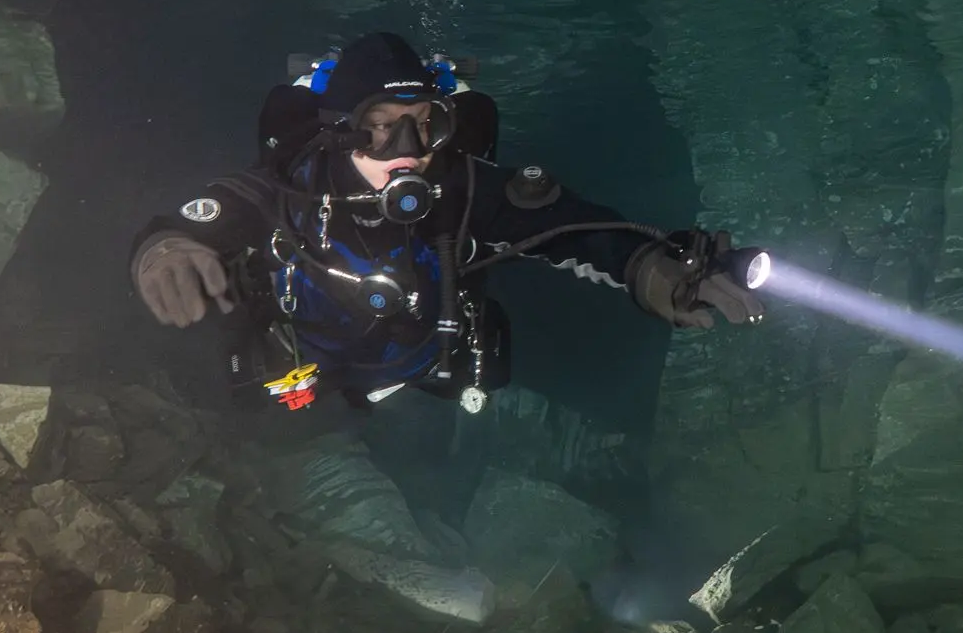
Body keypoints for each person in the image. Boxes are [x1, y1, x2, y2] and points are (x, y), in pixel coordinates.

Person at [128, 32, 764, 420]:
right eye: (380, 124)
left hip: (424, 365)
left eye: (424, 123)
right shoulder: (290, 187)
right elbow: (207, 216)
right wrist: (164, 248)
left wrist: (653, 268)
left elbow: (578, 229)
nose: (406, 146)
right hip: (304, 361)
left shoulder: (461, 191)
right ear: (342, 127)